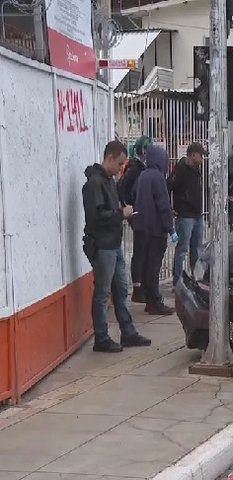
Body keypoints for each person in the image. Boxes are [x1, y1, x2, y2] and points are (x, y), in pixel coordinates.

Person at [82, 141, 151, 353]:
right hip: (103, 245)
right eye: (120, 163)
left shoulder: (109, 182)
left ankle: (128, 332)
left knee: (121, 289)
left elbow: (110, 209)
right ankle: (101, 337)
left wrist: (122, 210)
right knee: (103, 292)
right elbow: (96, 217)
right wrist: (121, 213)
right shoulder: (94, 184)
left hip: (114, 243)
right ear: (110, 158)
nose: (121, 168)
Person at [133, 145, 177, 315]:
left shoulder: (143, 175)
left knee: (145, 266)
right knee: (154, 267)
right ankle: (155, 302)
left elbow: (134, 196)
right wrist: (170, 228)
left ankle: (149, 299)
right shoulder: (158, 177)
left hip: (141, 227)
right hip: (156, 230)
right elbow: (163, 205)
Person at [117, 135, 152, 303]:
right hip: (136, 213)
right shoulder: (135, 168)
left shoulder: (142, 167)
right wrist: (127, 206)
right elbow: (121, 186)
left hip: (140, 213)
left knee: (144, 249)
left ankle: (142, 286)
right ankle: (138, 288)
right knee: (140, 249)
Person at [169, 143, 206, 286]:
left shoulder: (197, 169)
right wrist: (171, 207)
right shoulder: (180, 169)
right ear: (193, 155)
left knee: (196, 250)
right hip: (185, 215)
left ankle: (196, 280)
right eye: (201, 155)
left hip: (197, 214)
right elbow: (169, 186)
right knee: (182, 250)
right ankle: (177, 282)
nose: (202, 158)